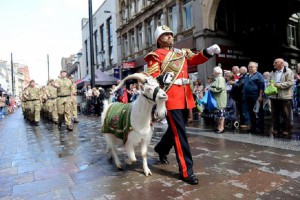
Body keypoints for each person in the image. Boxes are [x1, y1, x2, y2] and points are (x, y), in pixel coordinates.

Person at [144, 25, 220, 185]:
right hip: (171, 97)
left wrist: (208, 51)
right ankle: (186, 171)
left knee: (175, 129)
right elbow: (152, 76)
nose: (170, 36)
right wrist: (161, 78)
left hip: (186, 96)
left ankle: (161, 149)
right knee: (180, 134)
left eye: (171, 34)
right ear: (158, 39)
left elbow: (196, 59)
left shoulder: (182, 52)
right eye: (165, 35)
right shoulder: (155, 55)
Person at [269, 58, 294, 138]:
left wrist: (279, 85)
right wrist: (270, 84)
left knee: (286, 115)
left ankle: (286, 130)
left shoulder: (288, 71)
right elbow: (268, 80)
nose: (274, 64)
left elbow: (290, 83)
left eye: (275, 62)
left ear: (281, 63)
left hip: (285, 97)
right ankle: (276, 129)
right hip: (274, 96)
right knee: (274, 114)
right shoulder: (273, 72)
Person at [243, 62, 265, 134]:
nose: (250, 68)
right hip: (247, 96)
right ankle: (253, 127)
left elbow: (262, 86)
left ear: (256, 67)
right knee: (250, 112)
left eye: (252, 67)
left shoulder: (259, 75)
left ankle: (261, 128)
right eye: (249, 67)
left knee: (259, 112)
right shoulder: (247, 75)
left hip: (255, 96)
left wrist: (260, 95)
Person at [210, 66, 227, 133]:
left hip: (220, 99)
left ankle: (221, 128)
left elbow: (220, 88)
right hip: (217, 99)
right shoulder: (217, 79)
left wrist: (211, 89)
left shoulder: (220, 79)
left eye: (214, 72)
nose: (213, 73)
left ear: (216, 72)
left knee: (221, 114)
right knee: (218, 114)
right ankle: (218, 127)